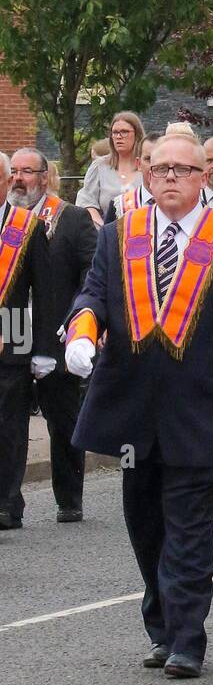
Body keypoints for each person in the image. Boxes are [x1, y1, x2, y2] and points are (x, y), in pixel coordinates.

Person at [63, 133, 213, 677]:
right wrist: (82, 332)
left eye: (181, 171)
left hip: (200, 412)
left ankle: (187, 640)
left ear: (204, 178)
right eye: (159, 169)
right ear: (145, 172)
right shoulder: (119, 235)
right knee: (145, 527)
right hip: (132, 411)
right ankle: (162, 625)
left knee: (188, 531)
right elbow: (93, 294)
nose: (169, 179)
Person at [0, 148, 97, 525]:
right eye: (17, 171)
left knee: (56, 419)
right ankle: (9, 500)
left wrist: (47, 346)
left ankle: (62, 497)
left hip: (30, 333)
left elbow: (42, 291)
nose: (21, 178)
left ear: (44, 176)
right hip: (16, 331)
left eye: (27, 172)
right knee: (8, 421)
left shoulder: (56, 220)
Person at [0, 153, 56, 531]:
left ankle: (6, 501)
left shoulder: (27, 226)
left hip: (13, 335)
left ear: (6, 181)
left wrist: (45, 349)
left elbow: (47, 292)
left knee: (9, 425)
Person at [76, 110, 146, 226]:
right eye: (115, 132)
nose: (119, 137)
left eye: (124, 132)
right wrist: (102, 228)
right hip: (107, 234)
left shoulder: (148, 166)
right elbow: (87, 201)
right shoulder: (99, 166)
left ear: (137, 134)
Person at [106, 134, 159, 221]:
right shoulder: (118, 207)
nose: (153, 165)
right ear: (138, 164)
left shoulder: (183, 205)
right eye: (148, 159)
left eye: (159, 159)